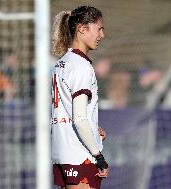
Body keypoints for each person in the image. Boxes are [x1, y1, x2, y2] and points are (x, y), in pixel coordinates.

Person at [51, 6, 109, 189]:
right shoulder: (81, 67)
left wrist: (92, 128)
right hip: (80, 155)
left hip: (62, 152)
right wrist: (98, 155)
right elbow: (80, 119)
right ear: (82, 29)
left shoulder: (62, 63)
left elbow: (69, 110)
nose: (102, 35)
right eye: (99, 28)